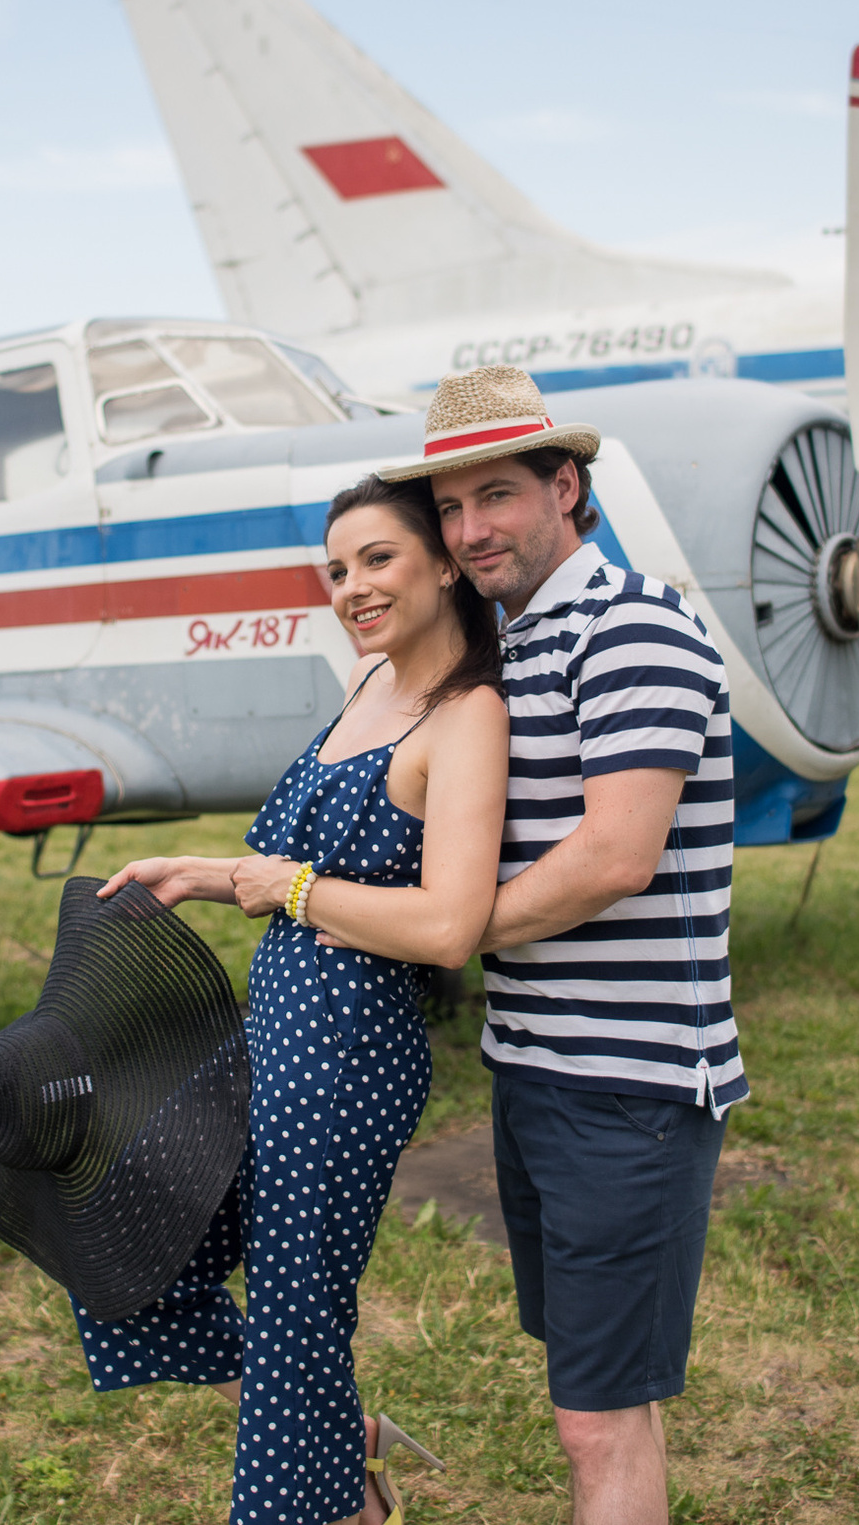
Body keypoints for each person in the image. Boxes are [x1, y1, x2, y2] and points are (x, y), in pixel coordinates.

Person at [83, 473, 510, 1525]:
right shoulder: (369, 686)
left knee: (294, 1307)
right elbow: (289, 867)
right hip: (272, 1026)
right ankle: (334, 1436)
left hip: (350, 1047)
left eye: (377, 558)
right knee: (130, 1244)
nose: (351, 586)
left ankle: (323, 1473)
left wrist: (293, 888)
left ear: (445, 562)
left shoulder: (468, 715)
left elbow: (450, 924)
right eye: (336, 568)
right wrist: (197, 867)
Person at [382, 363, 741, 1525]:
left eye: (496, 495)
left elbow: (615, 855)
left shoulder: (632, 622)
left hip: (626, 1082)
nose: (471, 528)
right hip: (536, 1065)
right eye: (449, 506)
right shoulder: (510, 645)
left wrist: (445, 932)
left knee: (599, 1414)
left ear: (565, 486)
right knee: (588, 1384)